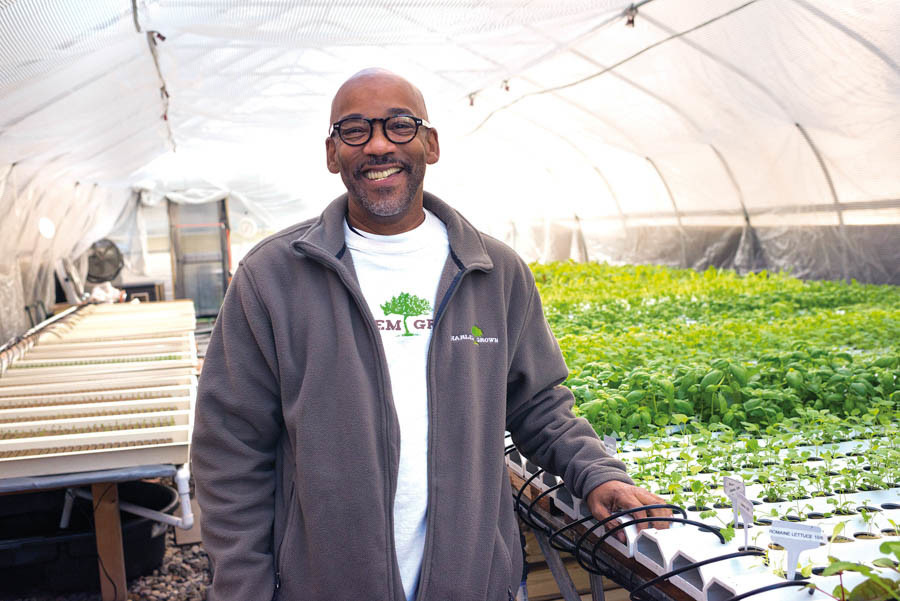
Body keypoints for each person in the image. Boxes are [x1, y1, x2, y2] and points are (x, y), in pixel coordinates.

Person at [192, 68, 671, 601]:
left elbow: (538, 405)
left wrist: (598, 474)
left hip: (471, 580)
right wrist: (242, 587)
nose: (377, 145)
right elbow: (230, 451)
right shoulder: (273, 278)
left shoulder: (494, 271)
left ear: (430, 144)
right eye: (354, 130)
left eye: (399, 125)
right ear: (332, 154)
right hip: (323, 582)